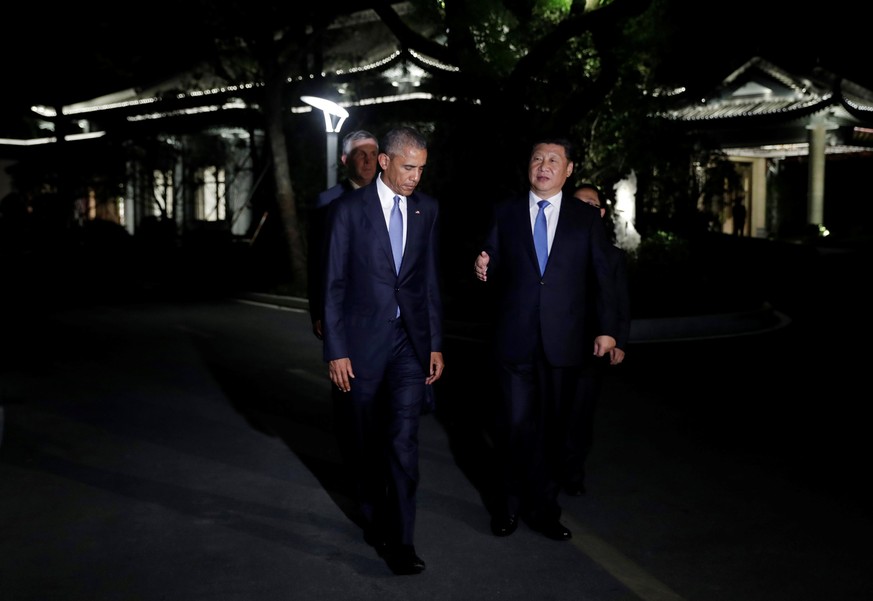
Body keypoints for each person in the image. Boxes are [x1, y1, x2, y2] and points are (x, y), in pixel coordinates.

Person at [473, 137, 618, 542]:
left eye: (554, 160)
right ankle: (507, 506)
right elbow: (492, 256)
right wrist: (484, 262)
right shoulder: (505, 212)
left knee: (554, 432)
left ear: (568, 170)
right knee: (514, 427)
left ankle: (545, 509)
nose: (544, 165)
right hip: (514, 341)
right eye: (537, 157)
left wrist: (607, 329)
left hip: (564, 343)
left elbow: (603, 275)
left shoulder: (584, 218)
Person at [322, 126, 445, 575]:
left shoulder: (426, 209)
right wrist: (336, 350)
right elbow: (332, 284)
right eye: (409, 167)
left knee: (403, 442)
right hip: (359, 345)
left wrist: (434, 343)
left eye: (422, 169)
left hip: (409, 343)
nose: (416, 177)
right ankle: (373, 514)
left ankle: (403, 540)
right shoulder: (347, 211)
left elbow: (428, 281)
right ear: (386, 162)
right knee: (365, 441)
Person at [561, 183, 631, 496]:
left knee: (581, 414)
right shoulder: (555, 248)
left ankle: (573, 473)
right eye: (579, 204)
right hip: (555, 345)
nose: (587, 209)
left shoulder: (612, 255)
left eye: (593, 204)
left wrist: (619, 339)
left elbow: (620, 300)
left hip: (592, 348)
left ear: (601, 212)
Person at [307, 129, 380, 340]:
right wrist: (319, 312)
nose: (368, 161)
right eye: (360, 154)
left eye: (373, 154)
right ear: (345, 159)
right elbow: (317, 261)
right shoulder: (328, 202)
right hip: (346, 308)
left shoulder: (392, 199)